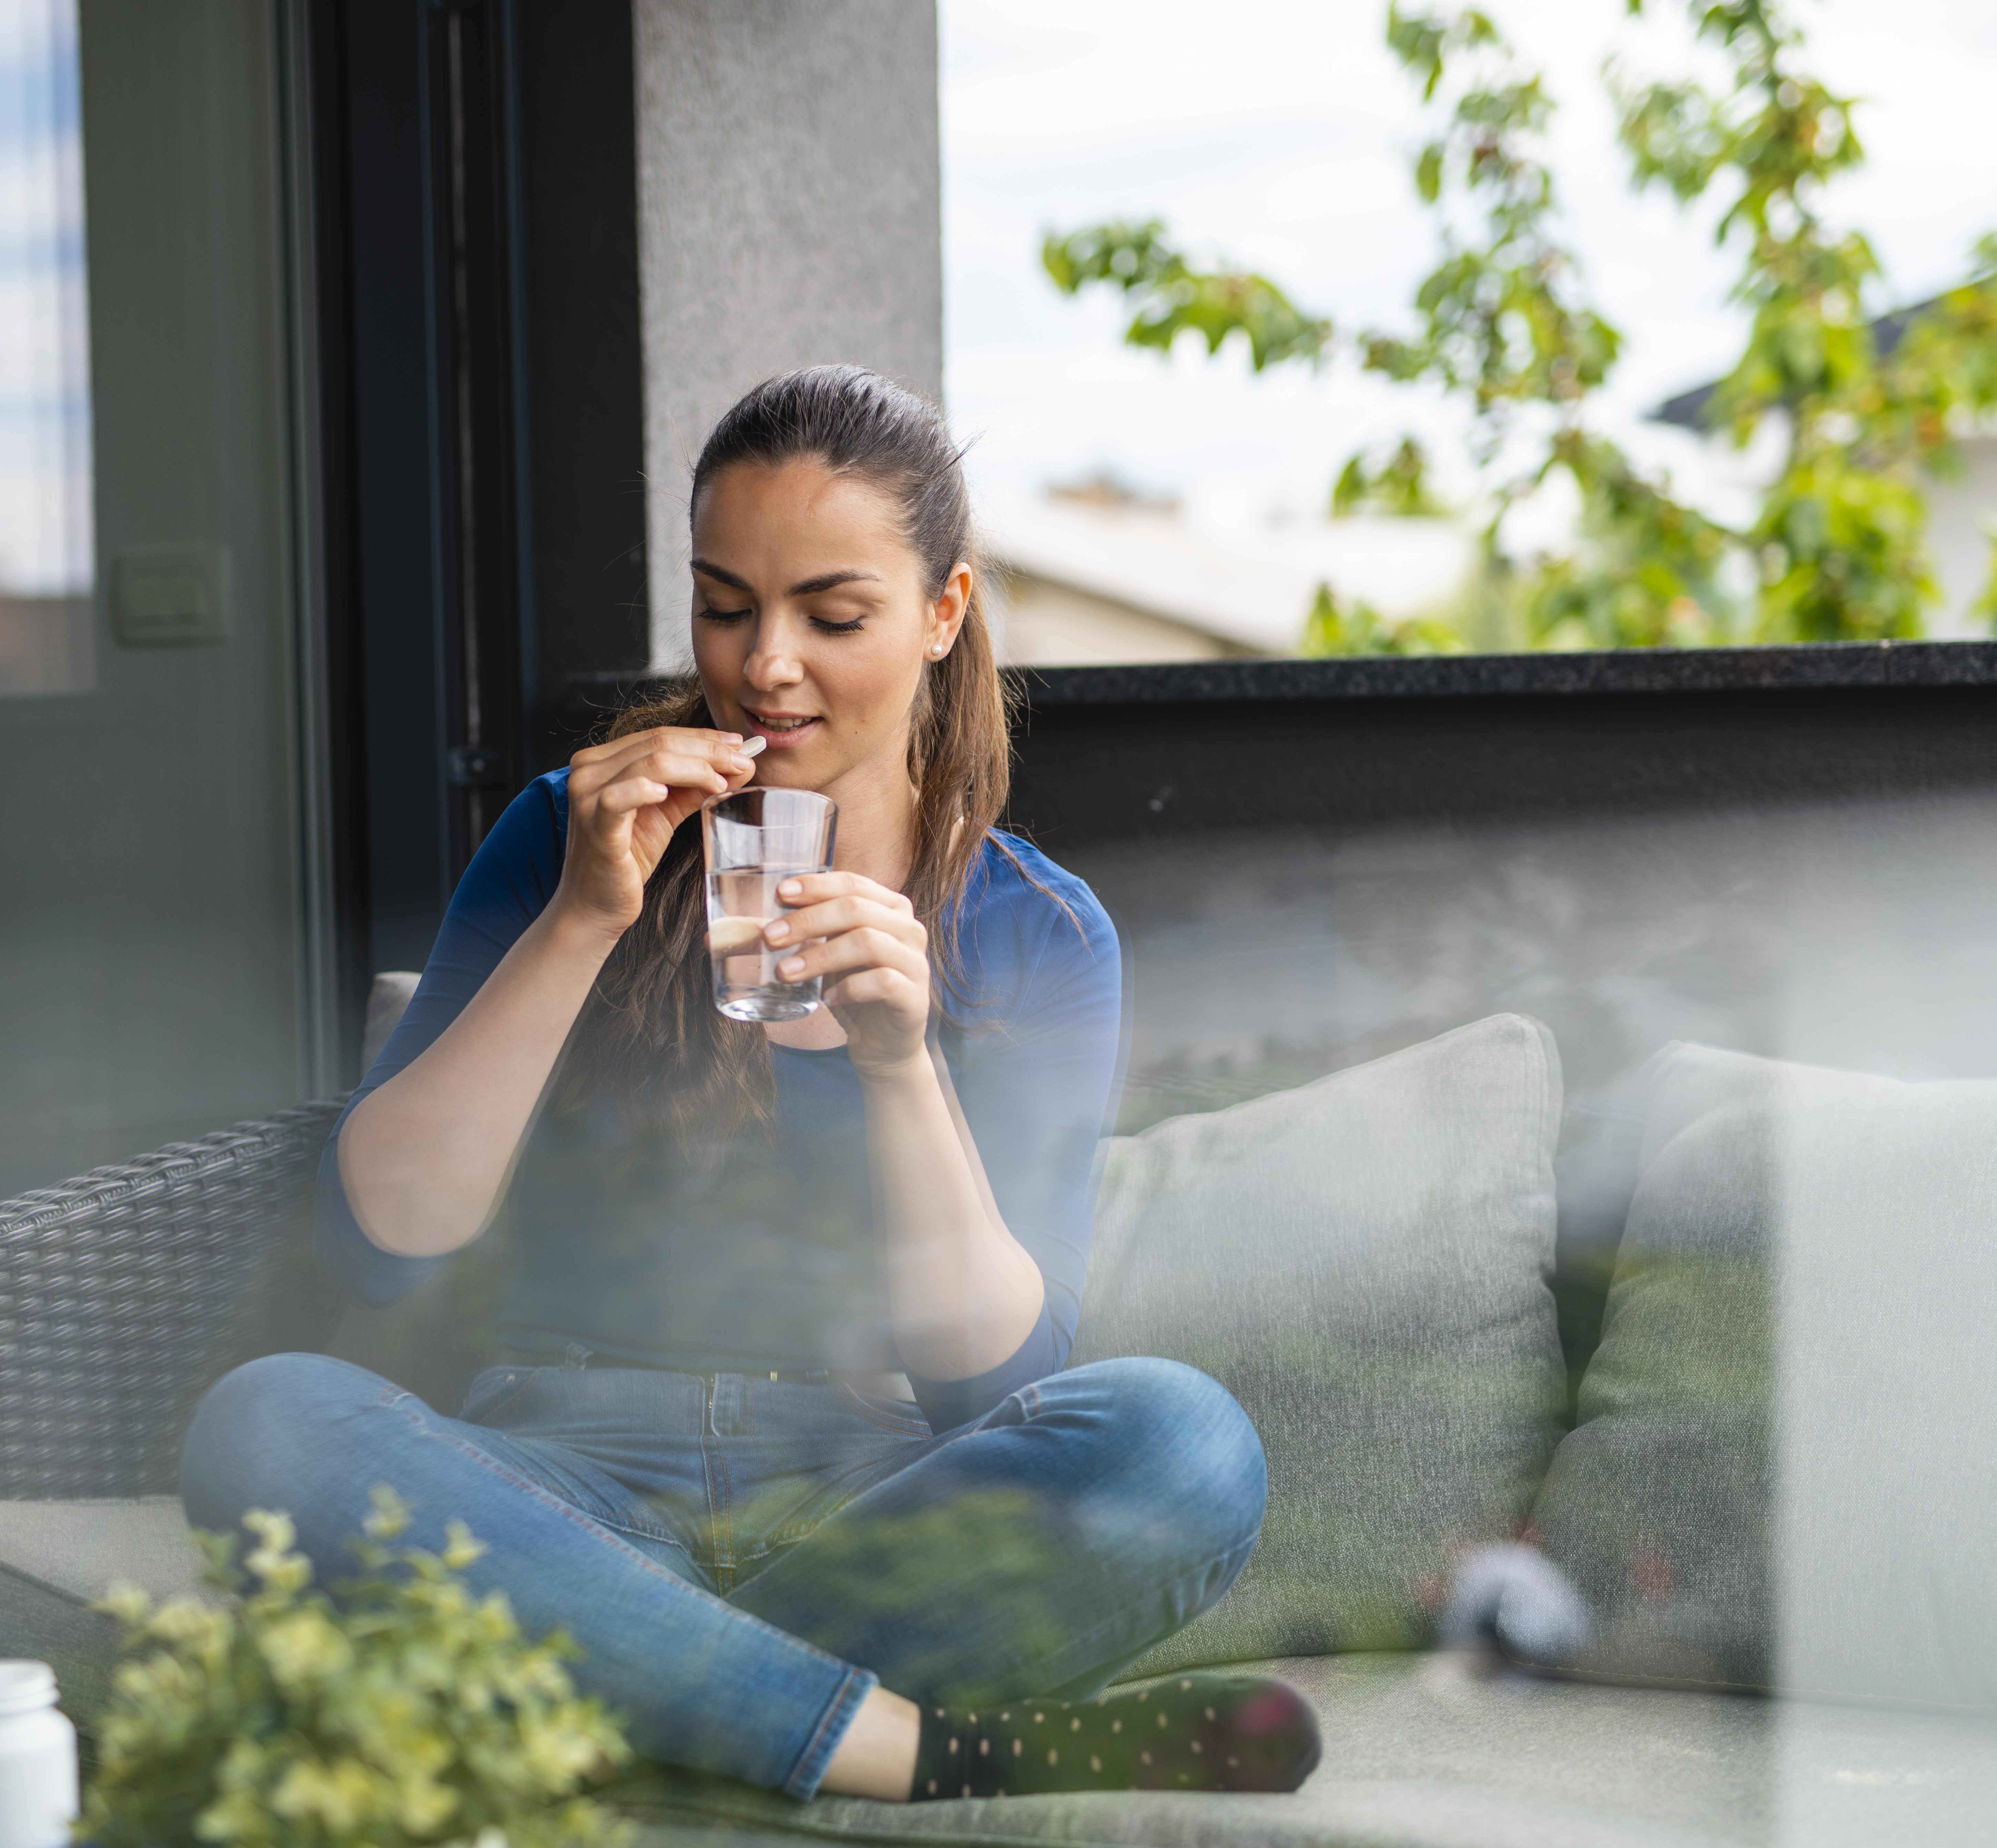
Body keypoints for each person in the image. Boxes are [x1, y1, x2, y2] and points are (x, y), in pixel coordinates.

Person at [183, 366, 1318, 1804]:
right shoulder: (567, 836)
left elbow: (1001, 1383)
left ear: (942, 613)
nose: (765, 664)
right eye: (726, 606)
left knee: (1184, 1443)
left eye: (832, 617)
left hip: (860, 1492)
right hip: (559, 1482)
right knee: (267, 1419)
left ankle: (621, 1693)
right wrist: (584, 918)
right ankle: (909, 1749)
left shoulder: (1037, 930)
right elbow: (383, 1235)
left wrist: (902, 1067)